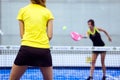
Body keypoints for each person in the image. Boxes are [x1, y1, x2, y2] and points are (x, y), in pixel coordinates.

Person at [9, 0, 54, 80]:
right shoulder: (48, 12)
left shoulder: (23, 10)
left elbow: (22, 35)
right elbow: (50, 35)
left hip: (26, 49)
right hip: (43, 50)